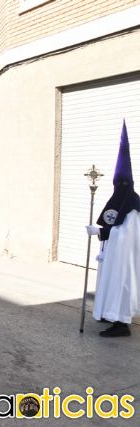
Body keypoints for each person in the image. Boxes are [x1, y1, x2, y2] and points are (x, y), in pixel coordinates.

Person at [87, 121, 140, 337]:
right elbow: (111, 222)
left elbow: (126, 236)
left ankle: (121, 324)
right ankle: (108, 313)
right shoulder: (120, 200)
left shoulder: (133, 205)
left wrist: (100, 233)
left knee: (120, 285)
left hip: (123, 260)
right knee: (109, 282)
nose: (118, 189)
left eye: (121, 185)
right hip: (112, 255)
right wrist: (102, 230)